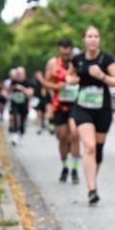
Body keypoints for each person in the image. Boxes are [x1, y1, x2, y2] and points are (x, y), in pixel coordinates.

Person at [67, 26, 115, 204]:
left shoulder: (107, 59)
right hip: (82, 107)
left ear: (99, 39)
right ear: (83, 39)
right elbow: (70, 76)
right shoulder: (77, 59)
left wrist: (103, 76)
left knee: (97, 150)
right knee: (89, 146)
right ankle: (91, 188)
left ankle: (93, 181)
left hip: (102, 109)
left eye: (96, 36)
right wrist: (71, 79)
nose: (93, 39)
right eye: (89, 36)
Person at [44, 38, 81, 184]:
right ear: (59, 50)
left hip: (76, 104)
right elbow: (46, 83)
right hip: (59, 105)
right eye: (63, 51)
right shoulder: (52, 63)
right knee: (63, 137)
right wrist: (57, 87)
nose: (66, 53)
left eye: (68, 51)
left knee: (75, 134)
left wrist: (75, 81)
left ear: (71, 49)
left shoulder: (78, 62)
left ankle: (75, 169)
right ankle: (65, 166)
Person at [8, 67, 35, 146]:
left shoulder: (28, 82)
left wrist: (22, 88)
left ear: (24, 74)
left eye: (20, 73)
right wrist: (13, 87)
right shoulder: (13, 82)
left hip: (24, 105)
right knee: (15, 118)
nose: (18, 75)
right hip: (15, 104)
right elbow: (7, 91)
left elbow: (30, 93)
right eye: (17, 73)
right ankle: (15, 134)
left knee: (22, 123)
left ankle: (20, 133)